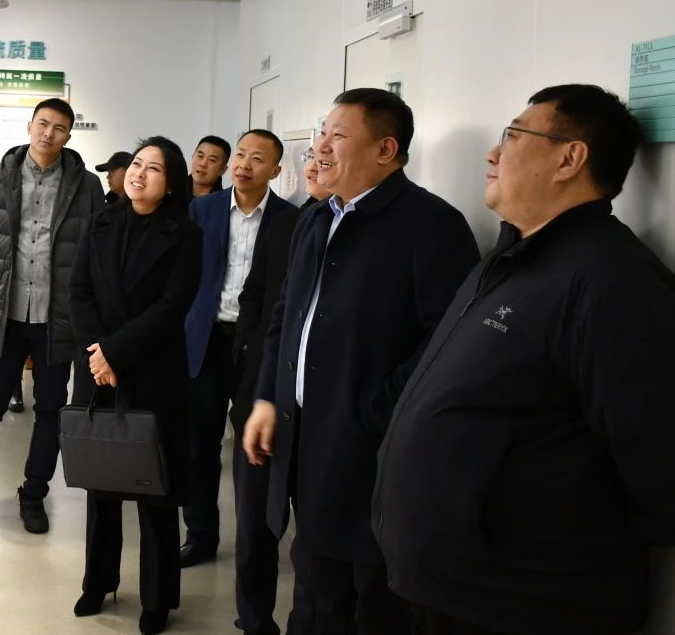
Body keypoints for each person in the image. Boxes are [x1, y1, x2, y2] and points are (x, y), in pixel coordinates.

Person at [374, 84, 675, 635]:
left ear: (569, 158)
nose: (493, 153)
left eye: (512, 136)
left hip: (522, 602)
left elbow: (657, 461)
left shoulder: (611, 280)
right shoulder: (512, 255)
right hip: (451, 586)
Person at [243, 88, 479, 635]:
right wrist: (268, 397)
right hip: (306, 443)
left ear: (386, 150)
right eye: (321, 133)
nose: (320, 147)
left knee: (373, 602)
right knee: (314, 590)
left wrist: (374, 410)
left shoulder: (432, 225)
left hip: (375, 455)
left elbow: (448, 344)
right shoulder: (316, 219)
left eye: (338, 136)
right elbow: (285, 316)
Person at [68, 137, 202, 635]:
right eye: (137, 165)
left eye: (154, 169)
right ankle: (97, 582)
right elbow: (78, 292)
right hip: (98, 370)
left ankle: (157, 599)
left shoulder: (185, 235)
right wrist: (98, 355)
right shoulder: (99, 223)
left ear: (172, 185)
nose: (140, 174)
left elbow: (172, 308)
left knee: (155, 491)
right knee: (101, 482)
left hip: (153, 371)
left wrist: (115, 353)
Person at [0, 97, 104, 533]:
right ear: (29, 126)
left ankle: (33, 494)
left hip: (56, 319)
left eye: (59, 128)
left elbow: (96, 252)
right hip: (6, 315)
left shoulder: (87, 186)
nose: (49, 133)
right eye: (43, 124)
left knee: (50, 409)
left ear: (68, 135)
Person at [181, 130, 295, 568]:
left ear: (276, 170)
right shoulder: (203, 209)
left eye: (258, 159)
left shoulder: (290, 219)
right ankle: (200, 537)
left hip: (257, 346)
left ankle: (256, 544)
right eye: (241, 155)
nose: (245, 165)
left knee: (254, 450)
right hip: (207, 340)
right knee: (199, 446)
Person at [228, 149, 330, 634]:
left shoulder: (402, 229)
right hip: (265, 391)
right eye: (313, 154)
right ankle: (254, 619)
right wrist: (253, 362)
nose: (314, 165)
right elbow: (259, 298)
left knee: (315, 539)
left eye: (329, 151)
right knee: (253, 519)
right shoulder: (298, 222)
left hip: (326, 413)